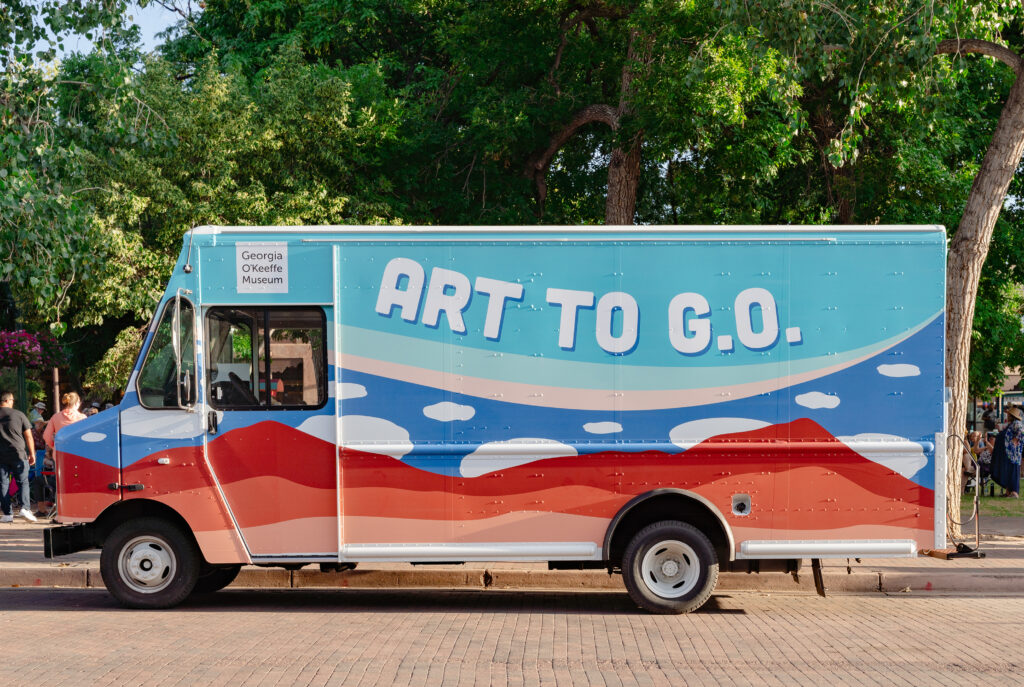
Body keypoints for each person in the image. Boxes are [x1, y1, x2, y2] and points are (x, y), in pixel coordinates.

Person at [0, 391, 37, 523]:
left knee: (3, 484)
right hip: (18, 453)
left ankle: (7, 514)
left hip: (1, 456)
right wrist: (32, 453)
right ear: (8, 400)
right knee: (23, 482)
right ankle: (25, 509)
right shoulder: (19, 414)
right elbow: (28, 436)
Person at [990, 405, 1022, 498]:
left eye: (1008, 414)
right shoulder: (1011, 424)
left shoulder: (1017, 423)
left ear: (1012, 415)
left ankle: (1014, 492)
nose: (1007, 416)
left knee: (1013, 471)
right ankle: (1008, 492)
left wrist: (1015, 439)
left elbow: (1021, 432)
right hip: (1007, 453)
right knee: (1007, 471)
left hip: (1013, 453)